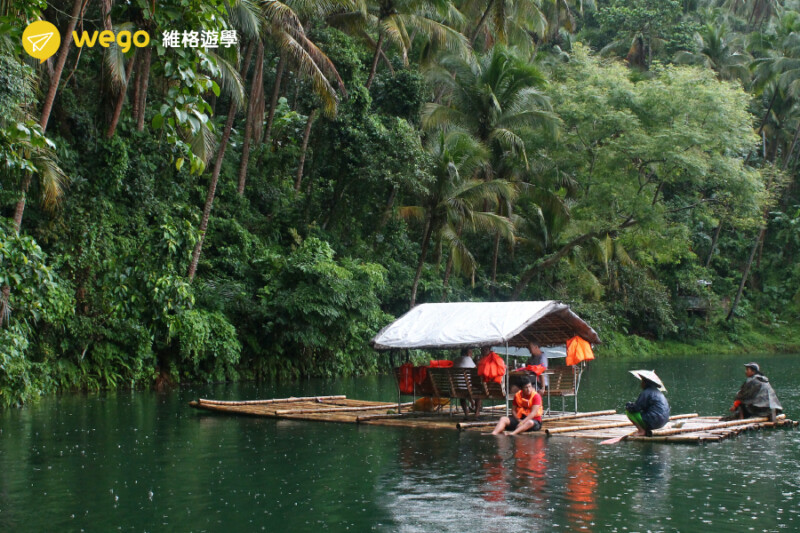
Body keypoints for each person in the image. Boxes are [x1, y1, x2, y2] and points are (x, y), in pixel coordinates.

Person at [625, 370, 670, 437]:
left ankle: (641, 431)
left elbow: (637, 408)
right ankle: (644, 429)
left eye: (642, 381)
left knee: (629, 412)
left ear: (646, 383)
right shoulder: (658, 393)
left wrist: (629, 406)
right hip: (663, 422)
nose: (641, 383)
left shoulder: (646, 392)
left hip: (654, 421)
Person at [453, 347, 481, 417]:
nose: (471, 354)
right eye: (471, 352)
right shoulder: (468, 359)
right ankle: (477, 413)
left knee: (462, 395)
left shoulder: (455, 360)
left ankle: (466, 414)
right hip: (467, 387)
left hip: (457, 388)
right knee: (480, 392)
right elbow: (476, 370)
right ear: (467, 353)